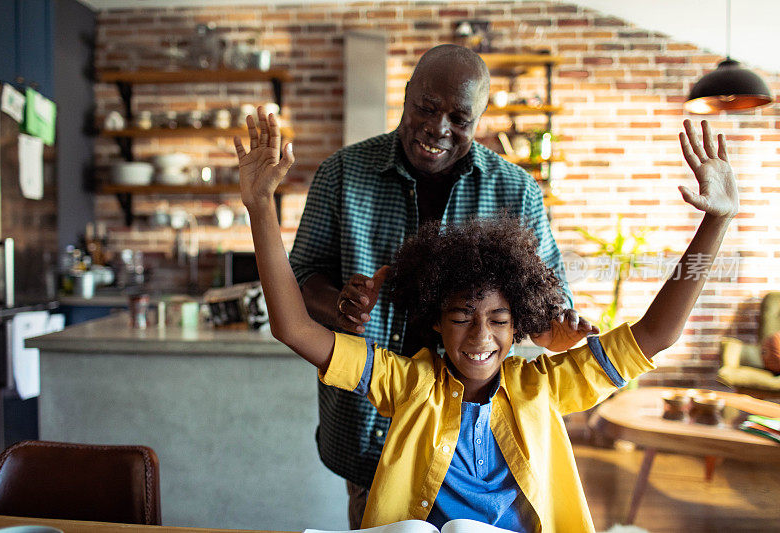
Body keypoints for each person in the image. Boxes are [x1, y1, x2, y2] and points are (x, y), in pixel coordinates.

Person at [234, 112, 739, 533]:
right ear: (434, 320)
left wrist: (714, 221)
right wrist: (260, 207)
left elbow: (655, 335)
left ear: (519, 323)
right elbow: (294, 329)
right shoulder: (409, 383)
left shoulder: (545, 387)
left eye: (499, 320)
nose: (480, 337)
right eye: (460, 317)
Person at [288, 44, 594, 525]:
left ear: (481, 116)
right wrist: (339, 307)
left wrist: (560, 323)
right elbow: (301, 279)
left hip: (478, 451)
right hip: (372, 425)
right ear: (407, 95)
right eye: (427, 108)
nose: (439, 128)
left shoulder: (516, 191)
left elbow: (546, 303)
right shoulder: (341, 175)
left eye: (460, 117)